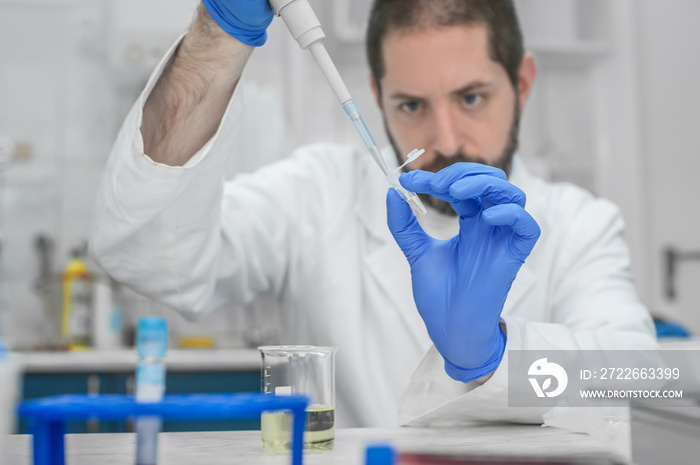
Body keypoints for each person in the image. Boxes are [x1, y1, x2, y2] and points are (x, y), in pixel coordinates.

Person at [90, 0, 657, 427]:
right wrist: (217, 34)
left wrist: (491, 359)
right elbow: (148, 256)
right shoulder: (313, 195)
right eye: (411, 104)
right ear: (376, 94)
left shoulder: (581, 223)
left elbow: (638, 383)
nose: (446, 137)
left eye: (471, 97)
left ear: (522, 82)